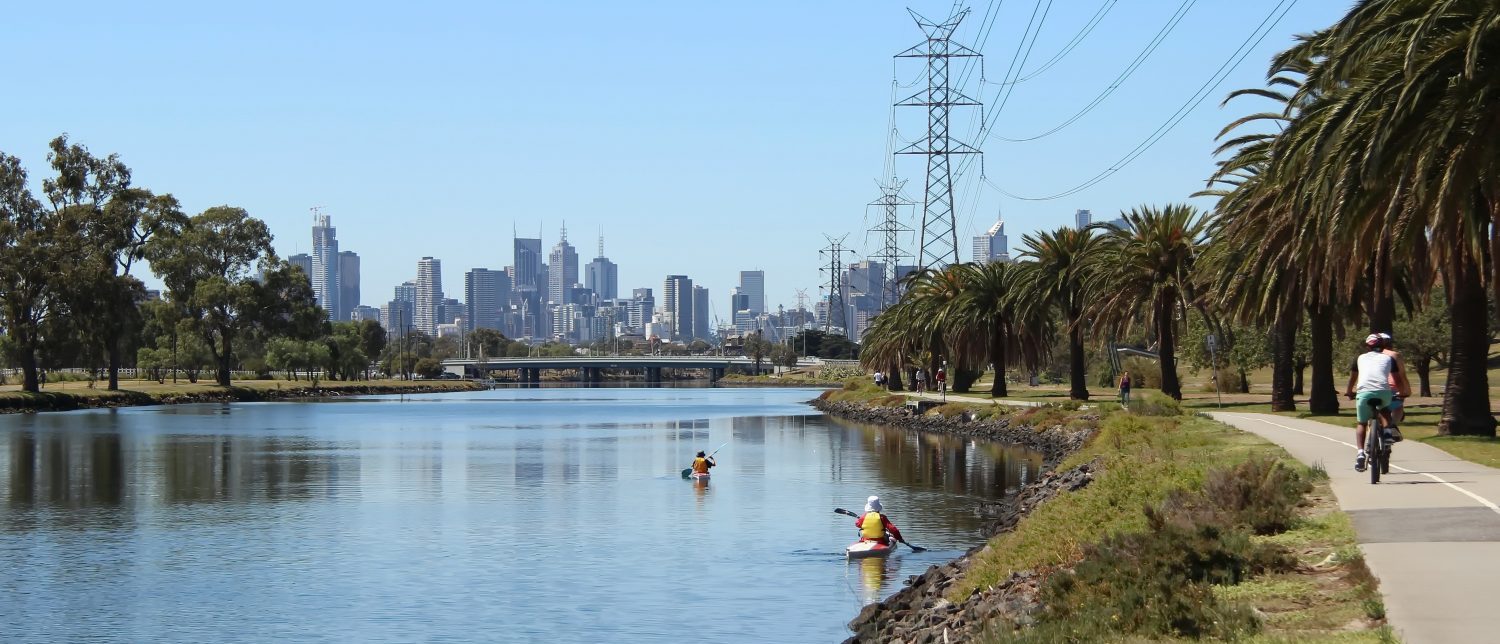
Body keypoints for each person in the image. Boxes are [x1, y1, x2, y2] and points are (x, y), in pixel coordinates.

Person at [1344, 333, 1404, 472]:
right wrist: (1402, 393)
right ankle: (1388, 433)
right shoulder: (1389, 358)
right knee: (1384, 410)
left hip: (1364, 393)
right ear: (1383, 345)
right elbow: (1397, 379)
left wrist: (1349, 391)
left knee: (1362, 423)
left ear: (1367, 346)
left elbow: (1353, 378)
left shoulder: (1359, 358)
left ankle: (1360, 454)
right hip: (1383, 392)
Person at [1376, 333, 1412, 423]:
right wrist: (1406, 391)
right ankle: (1392, 426)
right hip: (1392, 388)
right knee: (1398, 406)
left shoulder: (1367, 356)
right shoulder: (1395, 355)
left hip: (1371, 388)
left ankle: (1371, 431)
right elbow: (1402, 375)